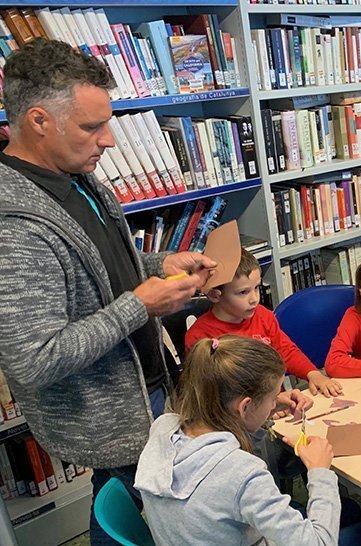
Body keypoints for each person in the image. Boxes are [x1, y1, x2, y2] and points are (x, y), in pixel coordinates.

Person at [0, 39, 217, 544]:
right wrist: (139, 306)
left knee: (140, 504)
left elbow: (97, 266)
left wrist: (159, 264)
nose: (110, 140)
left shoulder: (77, 175)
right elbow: (33, 358)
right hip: (105, 416)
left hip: (144, 391)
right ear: (38, 121)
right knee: (140, 511)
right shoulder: (13, 224)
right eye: (92, 127)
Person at [135, 335, 361, 546]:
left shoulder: (164, 426)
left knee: (347, 510)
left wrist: (266, 410)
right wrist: (318, 472)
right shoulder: (242, 474)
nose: (277, 402)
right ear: (245, 406)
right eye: (273, 397)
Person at [186, 249, 343, 396]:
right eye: (243, 292)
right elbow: (212, 393)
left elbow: (285, 350)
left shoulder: (262, 315)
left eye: (256, 288)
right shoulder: (200, 336)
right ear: (214, 295)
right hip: (240, 416)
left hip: (275, 402)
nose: (254, 299)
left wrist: (313, 373)